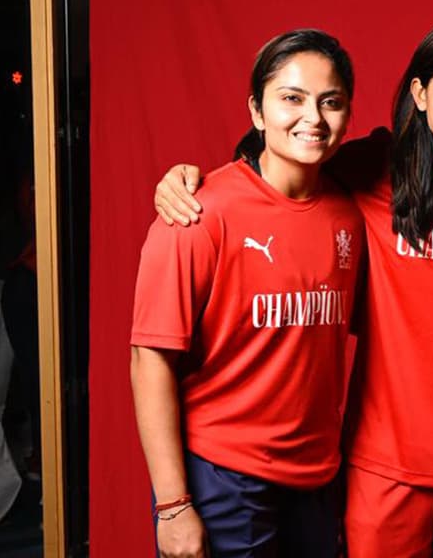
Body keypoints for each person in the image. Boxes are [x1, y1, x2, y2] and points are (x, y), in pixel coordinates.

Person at [153, 20, 433, 557]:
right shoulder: (372, 170)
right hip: (380, 466)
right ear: (419, 95)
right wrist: (186, 179)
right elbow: (278, 164)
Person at [132, 29, 364, 558]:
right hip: (223, 476)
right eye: (292, 99)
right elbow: (150, 359)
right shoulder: (196, 213)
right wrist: (172, 505)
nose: (314, 117)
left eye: (331, 102)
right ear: (257, 112)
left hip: (316, 478)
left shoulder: (350, 213)